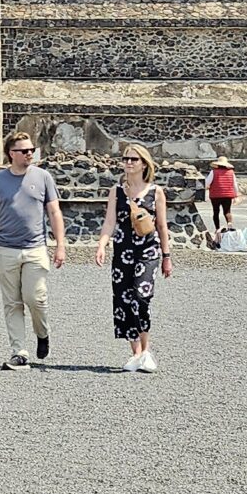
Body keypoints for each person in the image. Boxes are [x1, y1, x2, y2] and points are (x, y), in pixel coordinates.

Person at [0, 133, 66, 368]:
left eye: (31, 150)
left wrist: (60, 245)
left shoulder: (43, 177)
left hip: (35, 248)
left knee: (35, 298)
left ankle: (42, 333)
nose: (30, 154)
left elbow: (55, 212)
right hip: (6, 249)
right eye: (24, 150)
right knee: (12, 302)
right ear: (11, 154)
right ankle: (19, 351)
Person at [96, 141, 172, 371]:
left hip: (148, 249)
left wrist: (167, 256)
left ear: (143, 163)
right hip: (123, 249)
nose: (128, 163)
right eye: (125, 159)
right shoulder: (116, 192)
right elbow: (110, 222)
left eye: (133, 159)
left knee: (141, 296)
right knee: (123, 299)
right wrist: (102, 245)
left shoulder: (156, 192)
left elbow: (162, 225)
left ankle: (146, 349)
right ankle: (136, 352)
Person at [205, 157, 238, 232]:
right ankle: (229, 225)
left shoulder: (213, 172)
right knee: (227, 211)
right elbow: (234, 185)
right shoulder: (231, 172)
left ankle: (217, 229)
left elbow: (207, 183)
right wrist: (235, 195)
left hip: (215, 195)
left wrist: (206, 187)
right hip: (227, 195)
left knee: (216, 212)